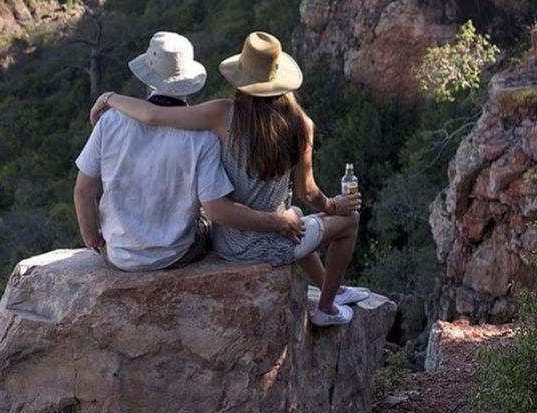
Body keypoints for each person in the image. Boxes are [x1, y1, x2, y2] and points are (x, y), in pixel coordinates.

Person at [90, 31, 367, 327]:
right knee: (348, 222)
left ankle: (333, 291)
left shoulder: (221, 114)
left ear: (241, 80)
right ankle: (326, 307)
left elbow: (154, 116)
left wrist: (110, 97)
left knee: (294, 218)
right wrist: (335, 206)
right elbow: (308, 193)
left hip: (226, 241)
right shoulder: (301, 125)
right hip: (268, 241)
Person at [74, 31, 305, 273]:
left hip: (119, 254)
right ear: (188, 80)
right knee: (202, 219)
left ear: (147, 76)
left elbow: (83, 192)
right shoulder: (203, 137)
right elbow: (216, 208)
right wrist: (278, 222)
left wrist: (94, 240)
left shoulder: (110, 122)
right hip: (175, 254)